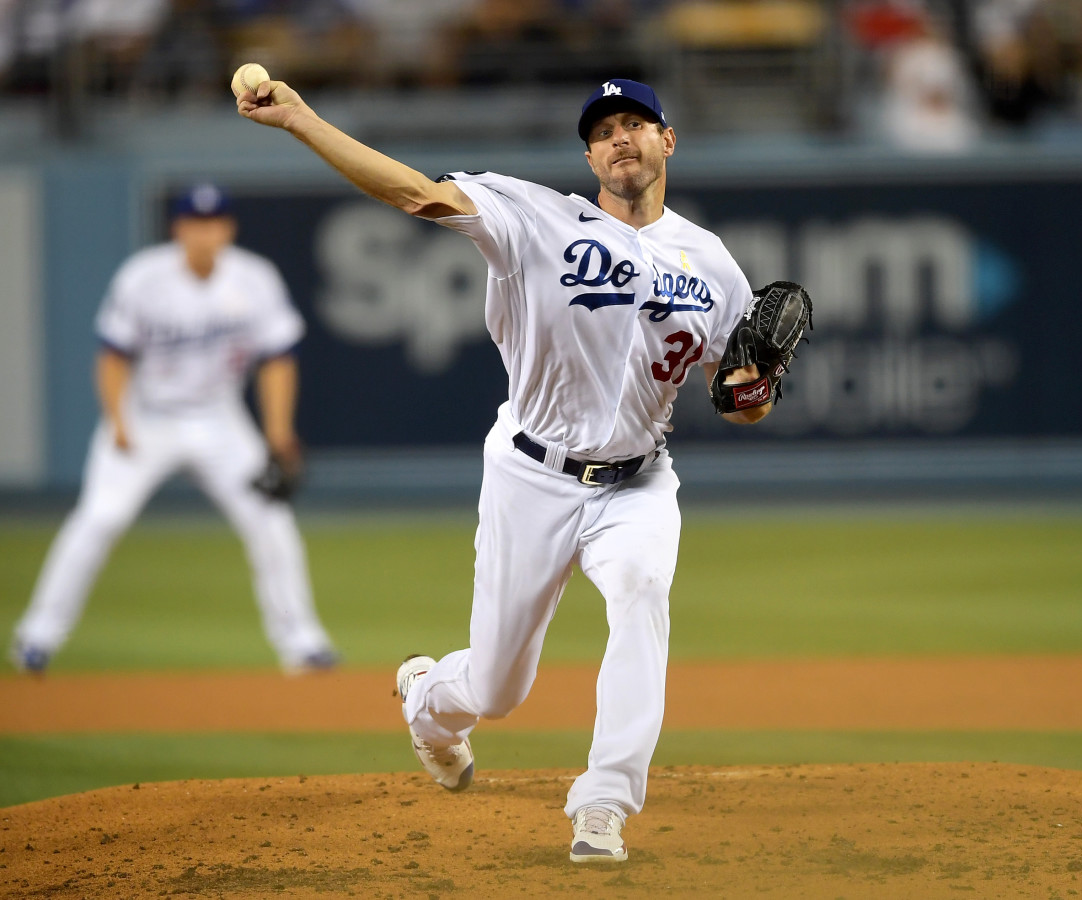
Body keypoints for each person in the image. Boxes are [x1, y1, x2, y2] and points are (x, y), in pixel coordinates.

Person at [235, 74, 772, 862]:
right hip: (532, 475)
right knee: (497, 689)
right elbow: (416, 194)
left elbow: (743, 396)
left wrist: (752, 392)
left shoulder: (715, 267)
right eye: (604, 129)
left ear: (668, 142)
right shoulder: (534, 217)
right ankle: (429, 700)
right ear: (589, 154)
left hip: (641, 482)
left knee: (640, 592)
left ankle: (604, 806)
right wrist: (304, 122)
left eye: (637, 122)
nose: (621, 136)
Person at [9, 182, 340, 675]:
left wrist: (277, 432)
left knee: (271, 521)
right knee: (100, 519)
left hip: (219, 418)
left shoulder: (254, 278)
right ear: (178, 228)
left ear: (227, 227)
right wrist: (118, 421)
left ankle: (303, 644)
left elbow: (277, 359)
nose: (205, 232)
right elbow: (113, 357)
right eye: (195, 222)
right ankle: (36, 637)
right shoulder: (144, 278)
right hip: (147, 417)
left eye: (214, 222)